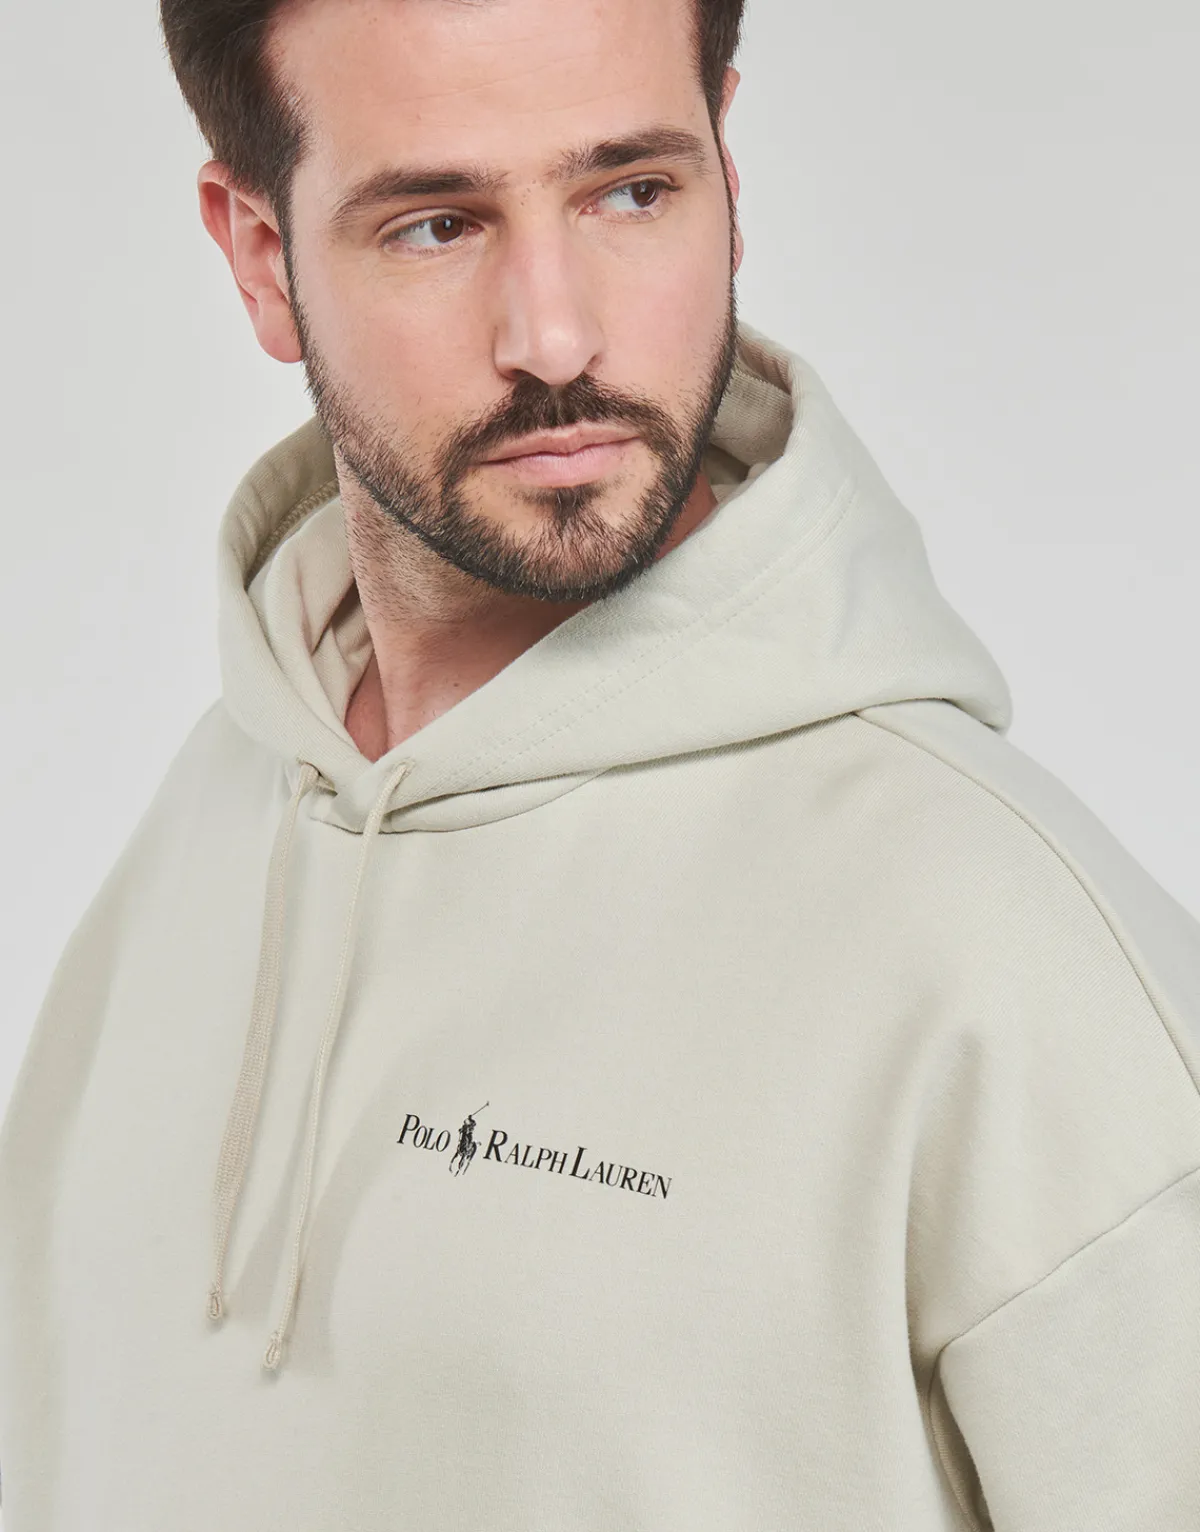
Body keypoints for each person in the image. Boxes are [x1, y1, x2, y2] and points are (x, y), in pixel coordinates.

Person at [0, 0, 1197, 1526]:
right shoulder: (219, 818)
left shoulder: (1002, 958)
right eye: (436, 224)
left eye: (632, 191)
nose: (555, 338)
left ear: (728, 176)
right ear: (257, 253)